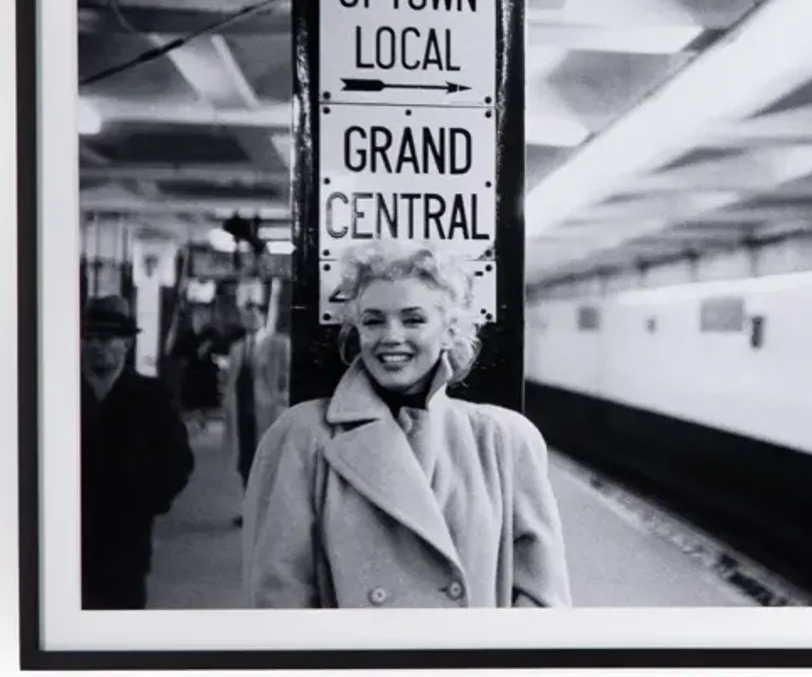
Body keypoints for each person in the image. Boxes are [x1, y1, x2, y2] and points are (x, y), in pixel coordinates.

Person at [243, 240, 572, 608]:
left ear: (449, 331)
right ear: (357, 331)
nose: (391, 337)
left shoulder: (503, 440)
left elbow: (543, 601)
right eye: (373, 321)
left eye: (413, 319)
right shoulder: (303, 436)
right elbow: (278, 599)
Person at [80, 295, 195, 609]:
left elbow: (178, 461)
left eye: (105, 339)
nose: (95, 346)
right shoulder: (61, 393)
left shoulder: (151, 397)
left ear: (126, 344)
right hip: (67, 536)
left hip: (127, 538)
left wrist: (148, 501)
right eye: (88, 338)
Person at [222, 297, 290, 525]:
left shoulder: (279, 343)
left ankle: (270, 511)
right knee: (245, 461)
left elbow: (287, 377)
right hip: (242, 413)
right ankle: (248, 508)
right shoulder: (237, 348)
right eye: (246, 315)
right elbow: (231, 381)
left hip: (268, 413)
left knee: (268, 460)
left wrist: (281, 400)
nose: (250, 319)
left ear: (263, 316)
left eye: (255, 314)